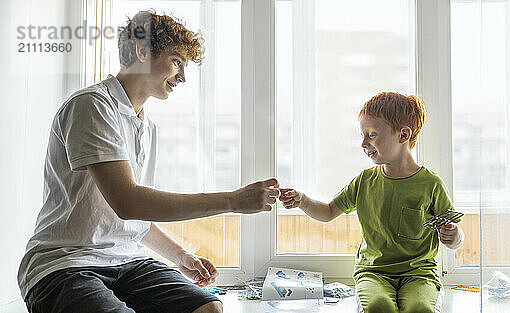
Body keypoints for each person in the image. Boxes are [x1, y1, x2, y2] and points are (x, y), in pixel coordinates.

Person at [17, 10, 278, 313]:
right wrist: (232, 201)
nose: (183, 75)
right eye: (177, 60)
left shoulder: (145, 125)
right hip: (66, 264)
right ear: (143, 51)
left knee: (208, 309)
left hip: (129, 262)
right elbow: (128, 202)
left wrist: (181, 256)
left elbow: (129, 218)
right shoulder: (92, 106)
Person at [278, 92, 464, 313]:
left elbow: (454, 237)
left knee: (420, 309)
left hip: (419, 274)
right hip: (374, 273)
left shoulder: (431, 184)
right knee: (378, 307)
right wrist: (303, 200)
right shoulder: (365, 181)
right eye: (362, 135)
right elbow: (328, 212)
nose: (363, 143)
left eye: (372, 135)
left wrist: (454, 237)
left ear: (403, 135)